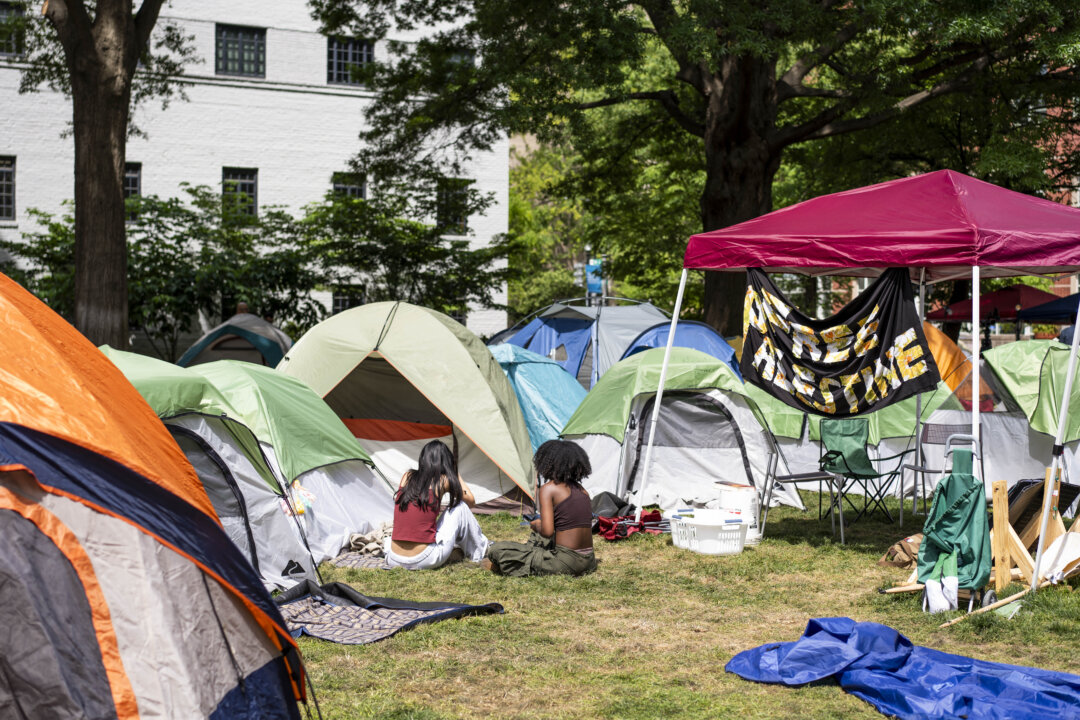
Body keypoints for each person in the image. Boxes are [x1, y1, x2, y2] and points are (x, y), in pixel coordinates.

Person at [485, 439, 597, 576]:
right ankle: (529, 553)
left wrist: (536, 525)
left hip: (566, 563)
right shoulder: (582, 490)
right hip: (589, 561)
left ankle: (516, 561)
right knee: (538, 538)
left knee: (497, 549)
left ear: (547, 464)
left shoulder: (549, 489)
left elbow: (547, 532)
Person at [386, 440, 490, 570]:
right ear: (446, 462)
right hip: (424, 559)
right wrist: (454, 472)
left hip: (394, 559)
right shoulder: (443, 480)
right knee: (460, 507)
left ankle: (457, 551)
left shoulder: (407, 476)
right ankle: (480, 552)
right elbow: (470, 501)